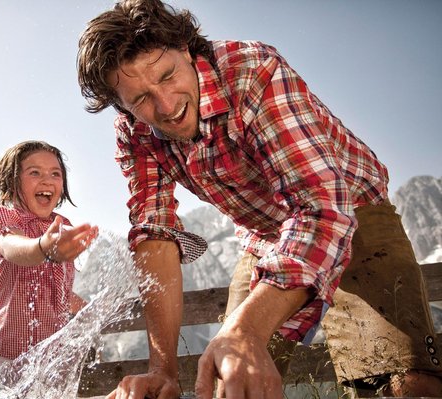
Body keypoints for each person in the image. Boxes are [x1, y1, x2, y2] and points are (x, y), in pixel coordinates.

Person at [76, 1, 442, 398]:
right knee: (228, 379)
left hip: (351, 209)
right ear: (120, 105)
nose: (166, 106)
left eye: (168, 76)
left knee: (405, 385)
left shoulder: (251, 70)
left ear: (186, 48)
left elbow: (319, 208)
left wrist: (246, 328)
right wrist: (162, 370)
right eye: (141, 99)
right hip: (263, 236)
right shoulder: (133, 132)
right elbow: (155, 238)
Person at [0, 140, 98, 397]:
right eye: (35, 172)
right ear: (11, 183)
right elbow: (12, 247)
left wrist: (93, 312)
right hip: (7, 361)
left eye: (55, 174)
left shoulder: (62, 227)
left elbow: (59, 294)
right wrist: (43, 247)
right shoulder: (6, 218)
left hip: (53, 363)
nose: (47, 180)